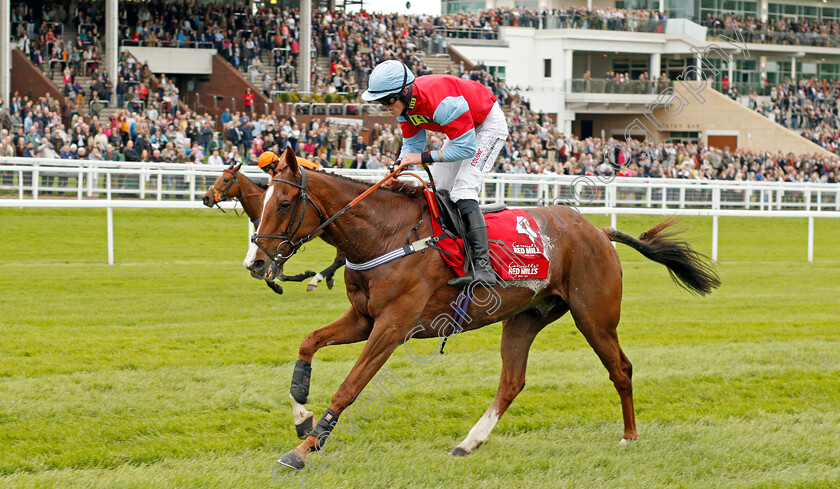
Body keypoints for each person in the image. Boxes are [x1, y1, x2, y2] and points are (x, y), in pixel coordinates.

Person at [362, 60, 508, 287]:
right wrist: (398, 169)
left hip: (486, 125)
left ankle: (484, 268)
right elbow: (412, 145)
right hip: (462, 130)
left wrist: (422, 159)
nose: (384, 106)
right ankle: (451, 254)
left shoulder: (441, 102)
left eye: (387, 100)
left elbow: (467, 148)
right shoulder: (405, 108)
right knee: (437, 189)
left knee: (463, 189)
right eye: (380, 101)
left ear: (405, 92)